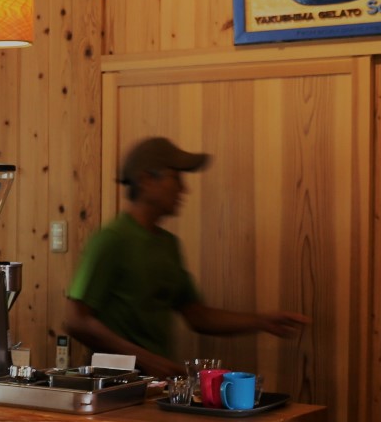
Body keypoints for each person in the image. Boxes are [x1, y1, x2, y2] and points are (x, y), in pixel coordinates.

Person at [63, 136, 307, 380]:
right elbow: (75, 321)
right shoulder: (111, 240)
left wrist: (262, 321)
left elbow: (197, 316)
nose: (184, 189)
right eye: (176, 178)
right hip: (113, 387)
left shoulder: (168, 245)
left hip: (155, 387)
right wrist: (145, 360)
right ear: (146, 180)